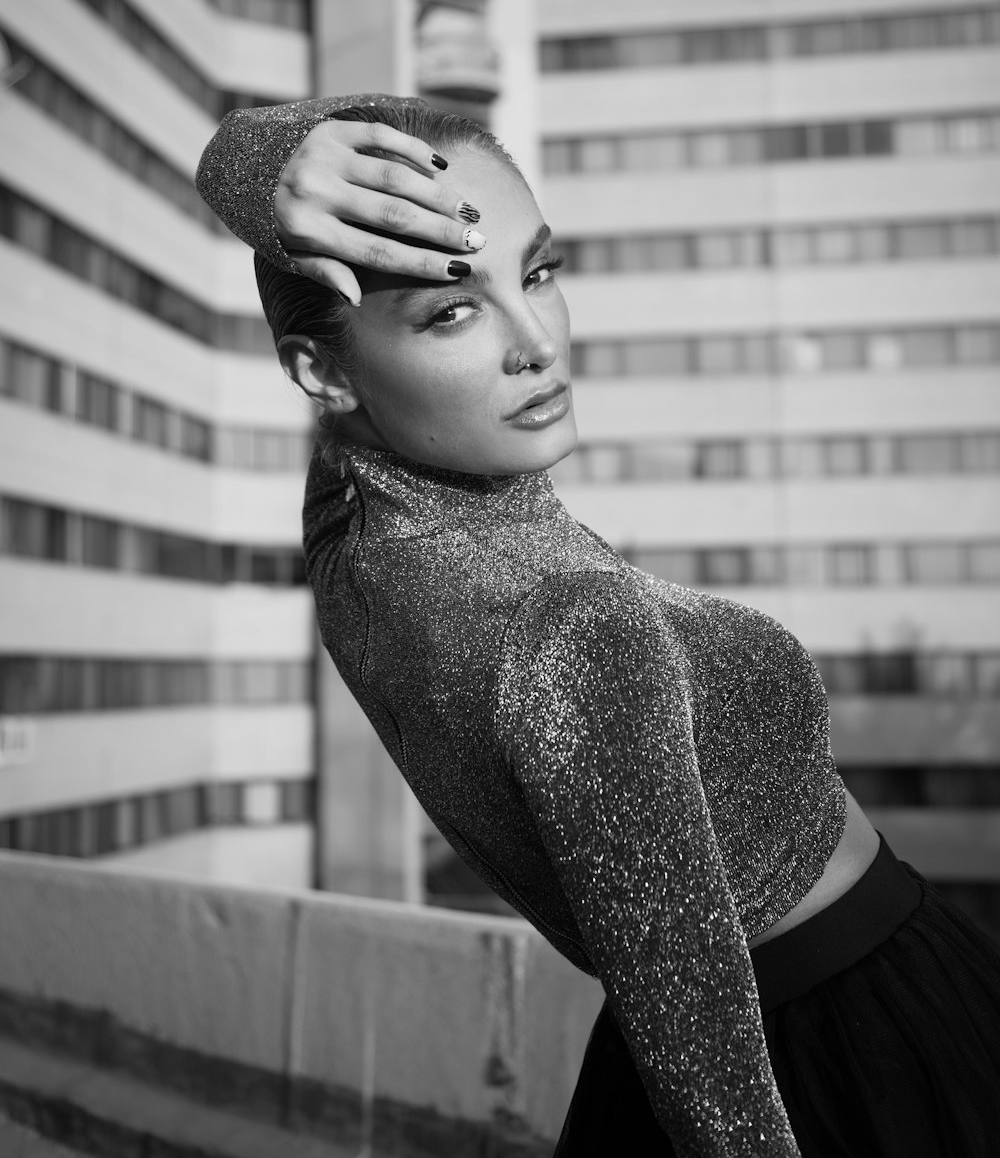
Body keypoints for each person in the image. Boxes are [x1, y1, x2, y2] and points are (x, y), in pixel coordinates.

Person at [197, 95, 1000, 1158]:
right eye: (451, 311)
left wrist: (251, 168)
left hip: (736, 1052)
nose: (536, 345)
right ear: (322, 373)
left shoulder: (356, 536)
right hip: (863, 1042)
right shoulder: (574, 628)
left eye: (536, 273)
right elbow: (698, 1032)